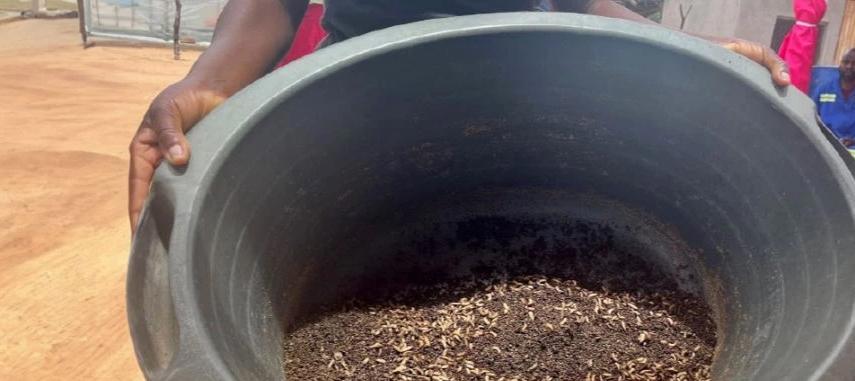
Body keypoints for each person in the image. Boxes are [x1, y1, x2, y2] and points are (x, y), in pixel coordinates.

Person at [127, 0, 792, 231]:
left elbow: (583, 1)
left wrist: (682, 48)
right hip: (357, 98)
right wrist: (209, 82)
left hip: (513, 94)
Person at [811, 48, 855, 166]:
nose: (849, 66)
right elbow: (811, 116)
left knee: (850, 167)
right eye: (846, 62)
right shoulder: (825, 88)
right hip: (825, 142)